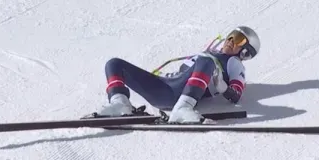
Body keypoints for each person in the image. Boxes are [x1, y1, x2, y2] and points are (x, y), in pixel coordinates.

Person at [97, 25, 260, 123]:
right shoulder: (209, 53)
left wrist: (222, 87)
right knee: (114, 64)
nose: (231, 41)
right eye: (231, 36)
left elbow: (236, 95)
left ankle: (183, 108)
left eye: (239, 39)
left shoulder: (234, 63)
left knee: (206, 61)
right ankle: (120, 104)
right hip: (163, 87)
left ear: (245, 52)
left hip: (181, 94)